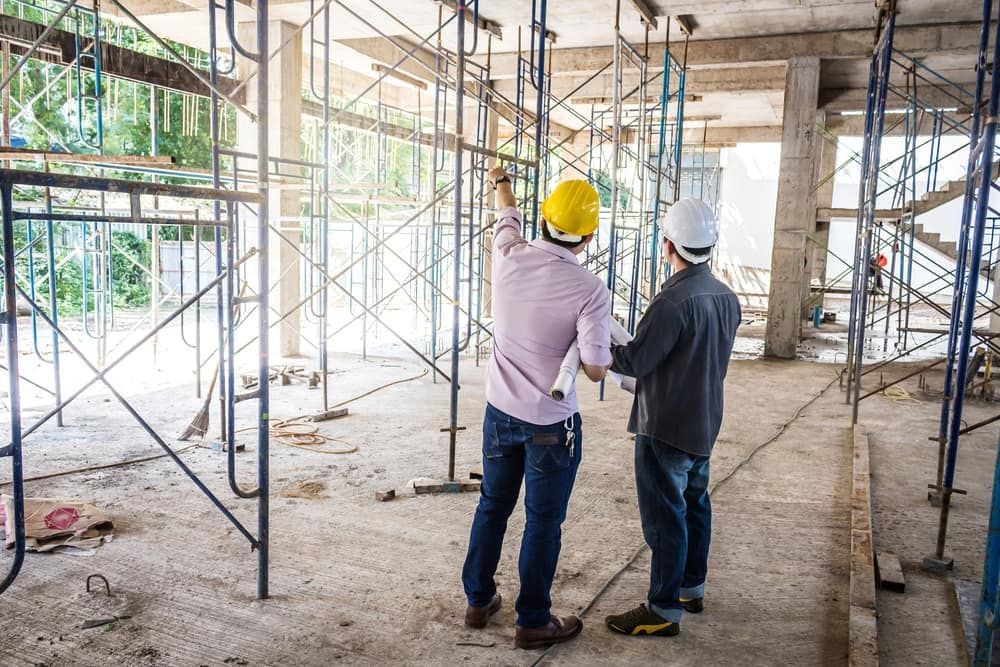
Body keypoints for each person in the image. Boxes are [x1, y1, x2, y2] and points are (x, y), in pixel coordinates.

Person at [462, 166, 612, 650]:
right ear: (589, 236)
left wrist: (501, 182)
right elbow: (594, 368)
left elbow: (506, 212)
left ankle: (479, 599)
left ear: (543, 220)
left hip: (499, 413)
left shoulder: (506, 256)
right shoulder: (590, 290)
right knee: (543, 521)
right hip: (550, 423)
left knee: (492, 506)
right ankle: (532, 621)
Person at [603, 198, 741, 638]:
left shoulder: (672, 301)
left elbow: (637, 360)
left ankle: (662, 609)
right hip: (703, 421)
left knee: (666, 519)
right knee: (695, 505)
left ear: (668, 245)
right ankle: (689, 587)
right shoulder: (726, 297)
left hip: (664, 425)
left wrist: (599, 348)